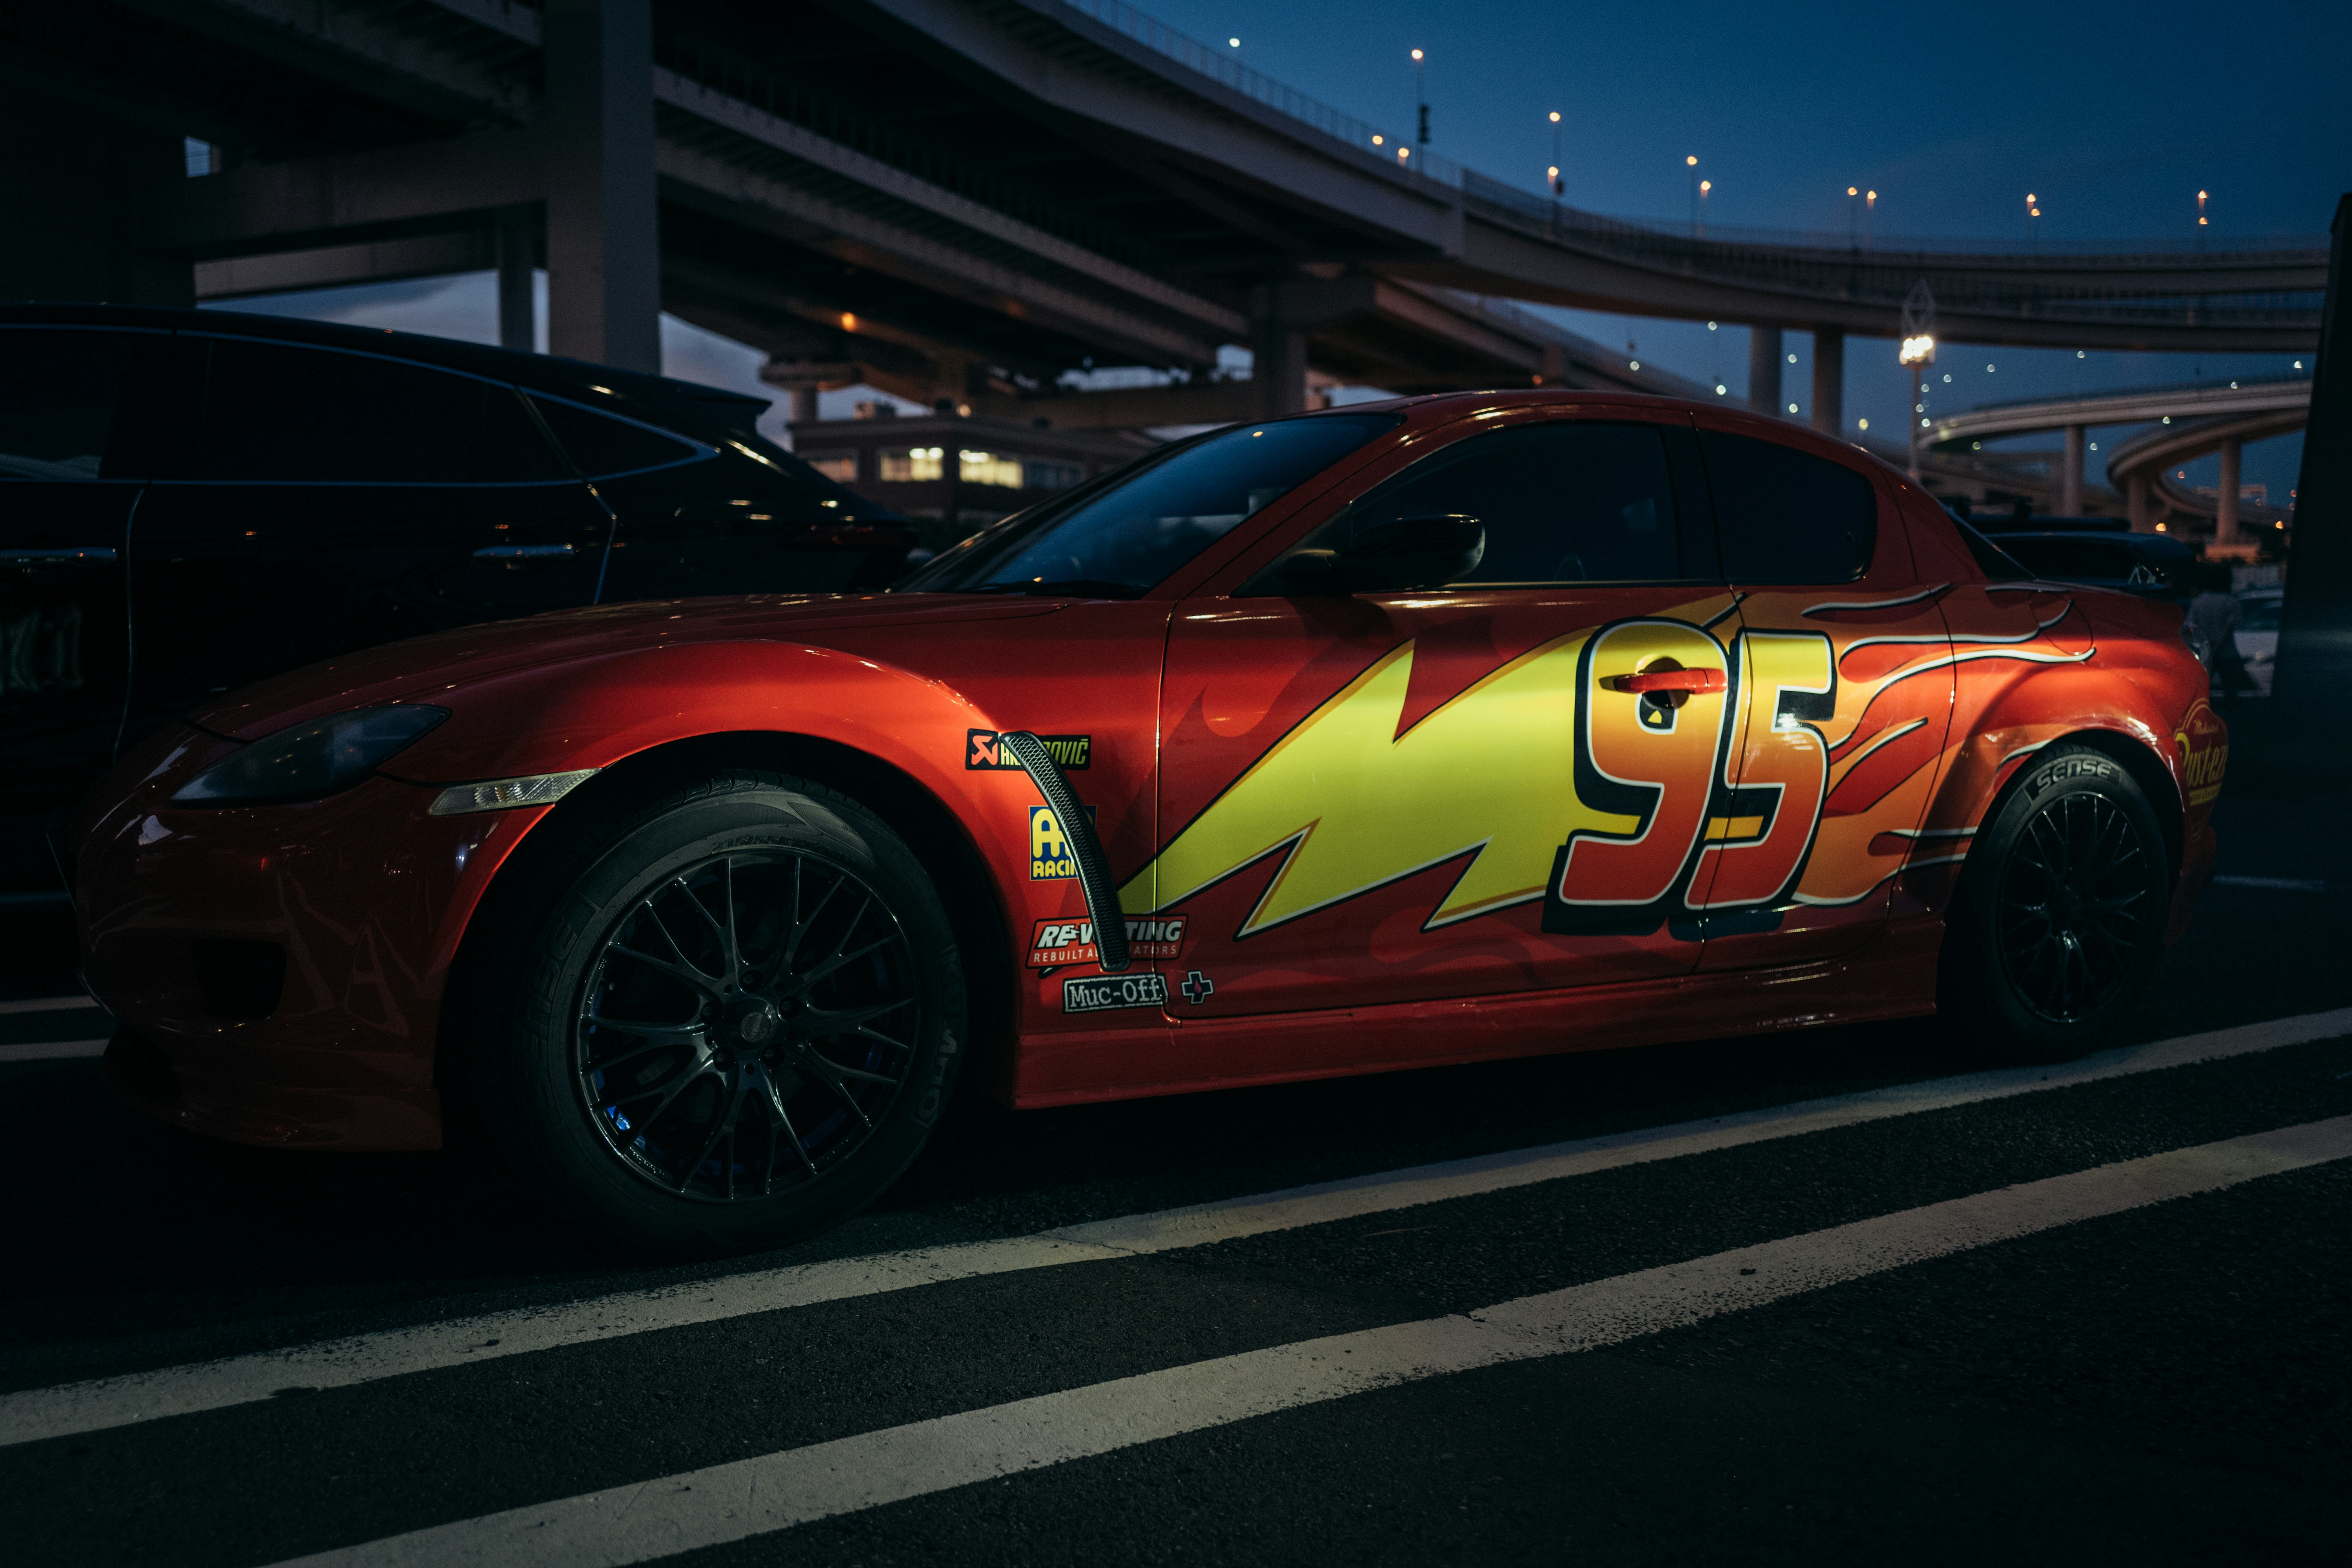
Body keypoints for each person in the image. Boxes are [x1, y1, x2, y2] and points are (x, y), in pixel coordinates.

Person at [2187, 565, 2250, 701]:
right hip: (2227, 652)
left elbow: (2191, 626)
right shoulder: (2231, 601)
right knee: (2230, 688)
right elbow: (2234, 625)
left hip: (2205, 651)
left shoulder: (2199, 602)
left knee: (2204, 688)